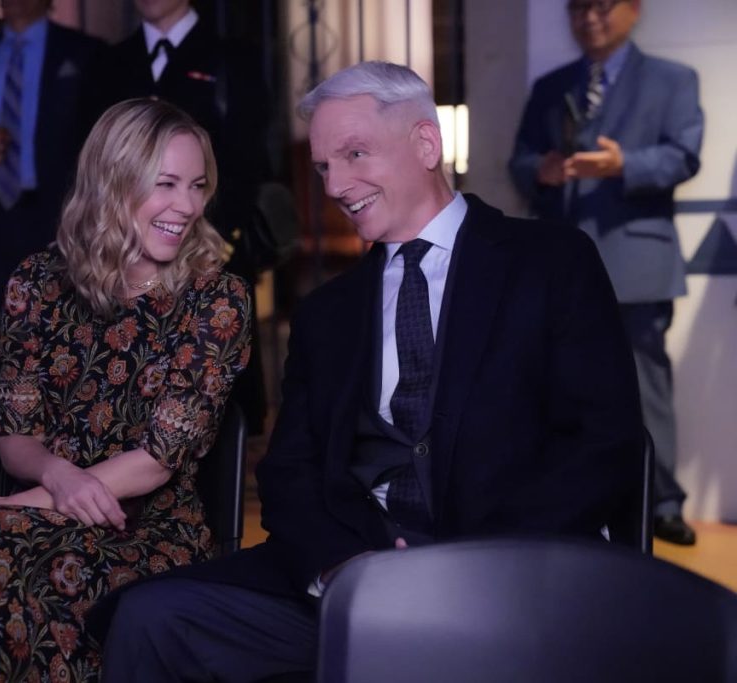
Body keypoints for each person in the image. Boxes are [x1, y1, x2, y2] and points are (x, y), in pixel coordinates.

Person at [95, 61, 645, 682]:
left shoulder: (550, 264)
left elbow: (606, 444)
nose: (335, 184)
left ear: (426, 144)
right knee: (150, 618)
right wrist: (341, 567)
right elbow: (290, 471)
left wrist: (477, 565)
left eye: (355, 154)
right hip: (356, 584)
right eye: (324, 167)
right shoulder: (326, 313)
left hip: (508, 579)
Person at [0, 98, 252, 682]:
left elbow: (154, 463)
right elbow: (15, 438)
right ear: (112, 182)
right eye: (166, 184)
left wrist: (3, 506)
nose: (187, 206)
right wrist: (57, 477)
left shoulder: (217, 298)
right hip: (40, 510)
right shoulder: (36, 282)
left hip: (147, 533)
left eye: (197, 186)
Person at [508, 0, 703, 545]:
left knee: (647, 385)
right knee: (557, 385)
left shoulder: (673, 79)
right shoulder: (551, 86)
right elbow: (519, 162)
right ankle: (574, 499)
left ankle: (662, 502)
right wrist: (542, 170)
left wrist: (625, 164)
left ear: (633, 9)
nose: (588, 18)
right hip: (561, 265)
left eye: (601, 5)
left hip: (638, 262)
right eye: (577, 8)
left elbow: (684, 156)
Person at [81, 0, 271, 435]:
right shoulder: (109, 62)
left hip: (212, 245)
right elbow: (94, 160)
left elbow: (250, 159)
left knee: (218, 417)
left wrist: (209, 237)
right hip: (123, 260)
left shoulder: (232, 57)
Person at [0, 0, 105, 491]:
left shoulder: (86, 54)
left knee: (70, 349)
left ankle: (71, 469)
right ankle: (3, 476)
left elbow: (103, 144)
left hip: (62, 223)